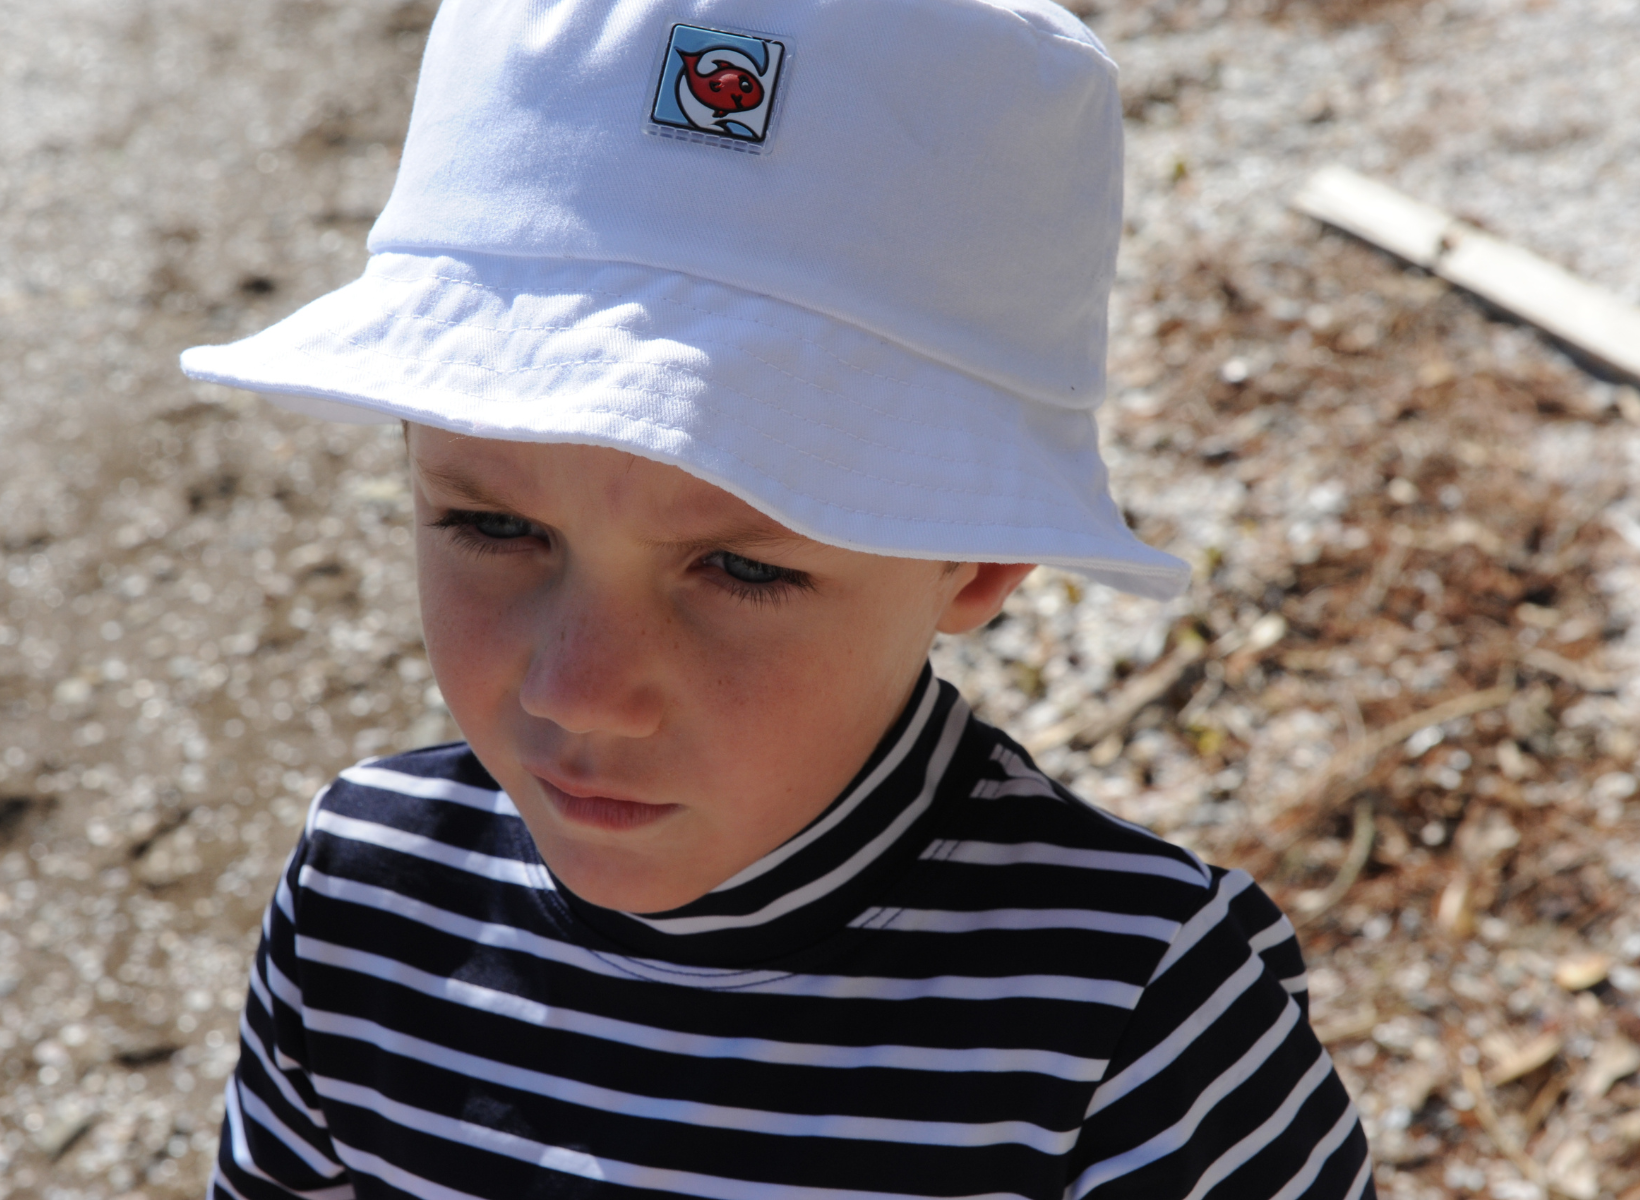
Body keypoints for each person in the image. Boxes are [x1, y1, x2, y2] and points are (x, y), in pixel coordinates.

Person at [180, 0, 1374, 1196]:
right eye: (496, 526)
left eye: (743, 567)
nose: (581, 692)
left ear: (982, 552)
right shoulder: (362, 901)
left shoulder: (1129, 1022)